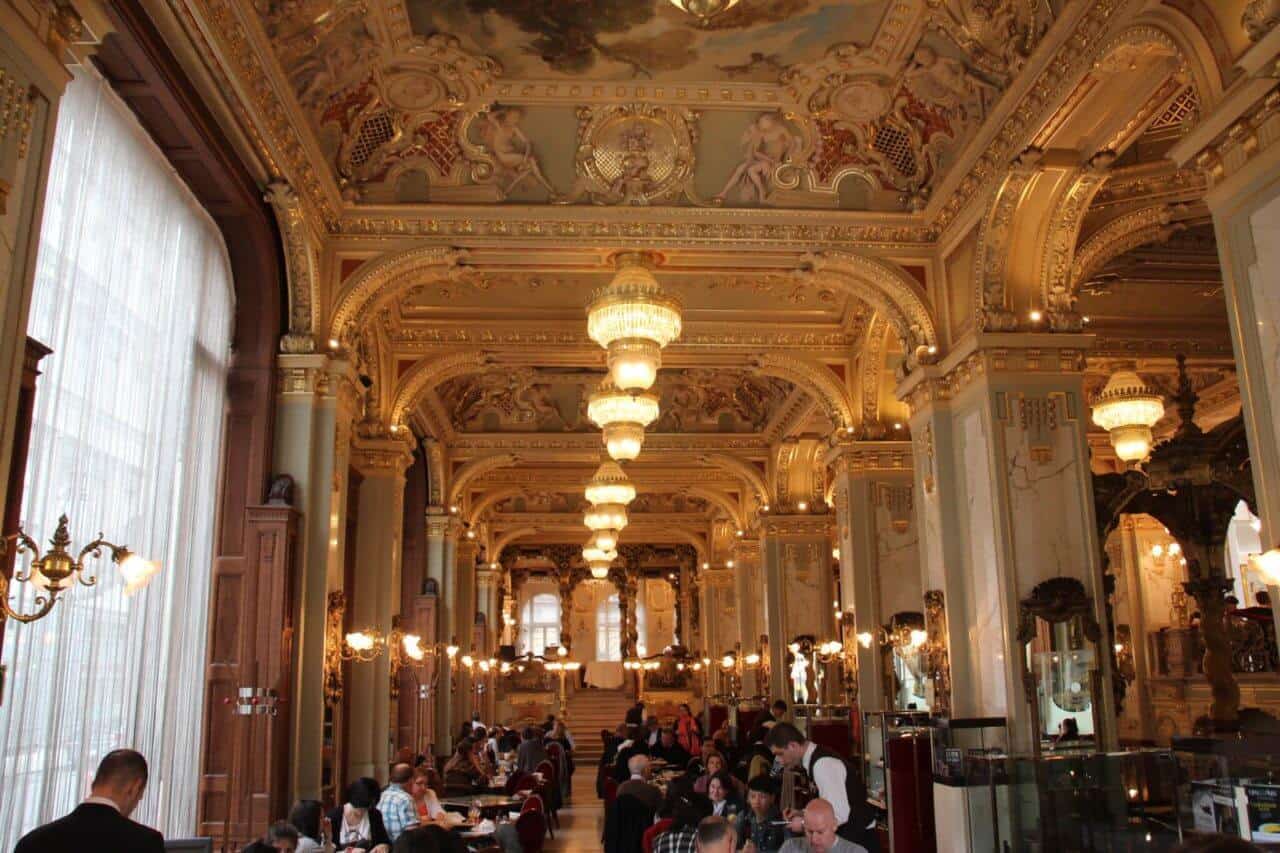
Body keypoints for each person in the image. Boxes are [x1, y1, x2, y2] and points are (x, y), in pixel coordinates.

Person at [13, 748, 165, 853]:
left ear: (94, 783)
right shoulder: (145, 843)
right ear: (134, 788)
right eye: (140, 797)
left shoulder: (31, 843)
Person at [766, 724, 877, 851]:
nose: (779, 761)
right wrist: (803, 813)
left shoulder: (822, 765)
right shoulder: (815, 761)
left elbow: (839, 815)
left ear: (793, 746)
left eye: (780, 754)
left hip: (857, 841)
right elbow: (829, 805)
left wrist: (803, 824)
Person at [778, 800, 867, 853]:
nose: (814, 839)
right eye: (809, 832)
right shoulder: (790, 847)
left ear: (834, 825)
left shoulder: (856, 852)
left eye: (820, 832)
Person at [328, 778, 391, 851]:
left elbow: (384, 840)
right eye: (362, 808)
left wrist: (383, 845)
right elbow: (326, 849)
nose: (365, 811)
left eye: (369, 807)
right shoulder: (334, 816)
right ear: (354, 800)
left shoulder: (374, 814)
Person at [736, 775, 785, 853]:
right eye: (753, 796)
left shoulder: (781, 820)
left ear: (772, 798)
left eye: (762, 797)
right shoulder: (743, 817)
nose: (756, 802)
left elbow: (790, 850)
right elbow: (733, 847)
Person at [377, 763, 421, 842]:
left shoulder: (381, 795)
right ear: (410, 780)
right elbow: (413, 833)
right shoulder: (406, 799)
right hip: (400, 847)